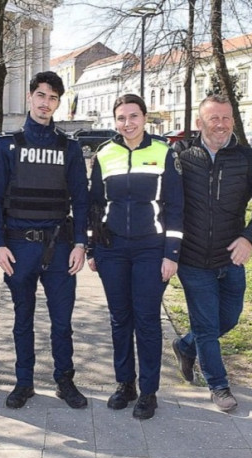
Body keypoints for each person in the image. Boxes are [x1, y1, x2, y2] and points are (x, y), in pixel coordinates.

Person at [0, 71, 89, 410]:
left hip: (59, 246)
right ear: (31, 97)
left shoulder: (69, 147)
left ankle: (65, 380)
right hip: (18, 247)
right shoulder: (6, 145)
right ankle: (24, 382)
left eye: (53, 98)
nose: (46, 103)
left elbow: (82, 198)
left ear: (59, 103)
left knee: (62, 321)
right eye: (41, 95)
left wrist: (80, 244)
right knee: (22, 320)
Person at [172, 95, 252, 412]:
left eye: (226, 118)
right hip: (192, 259)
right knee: (207, 327)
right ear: (199, 122)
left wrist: (249, 239)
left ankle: (184, 344)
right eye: (213, 118)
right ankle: (218, 386)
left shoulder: (248, 158)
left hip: (231, 258)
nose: (220, 124)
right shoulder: (181, 156)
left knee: (227, 319)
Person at [88, 94, 184, 420]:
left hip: (150, 249)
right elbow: (94, 205)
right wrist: (92, 247)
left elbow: (175, 208)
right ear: (115, 121)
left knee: (146, 320)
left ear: (144, 118)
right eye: (121, 118)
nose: (127, 123)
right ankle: (125, 384)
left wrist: (171, 254)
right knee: (119, 319)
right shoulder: (105, 154)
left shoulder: (164, 152)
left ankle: (149, 391)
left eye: (133, 116)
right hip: (112, 250)